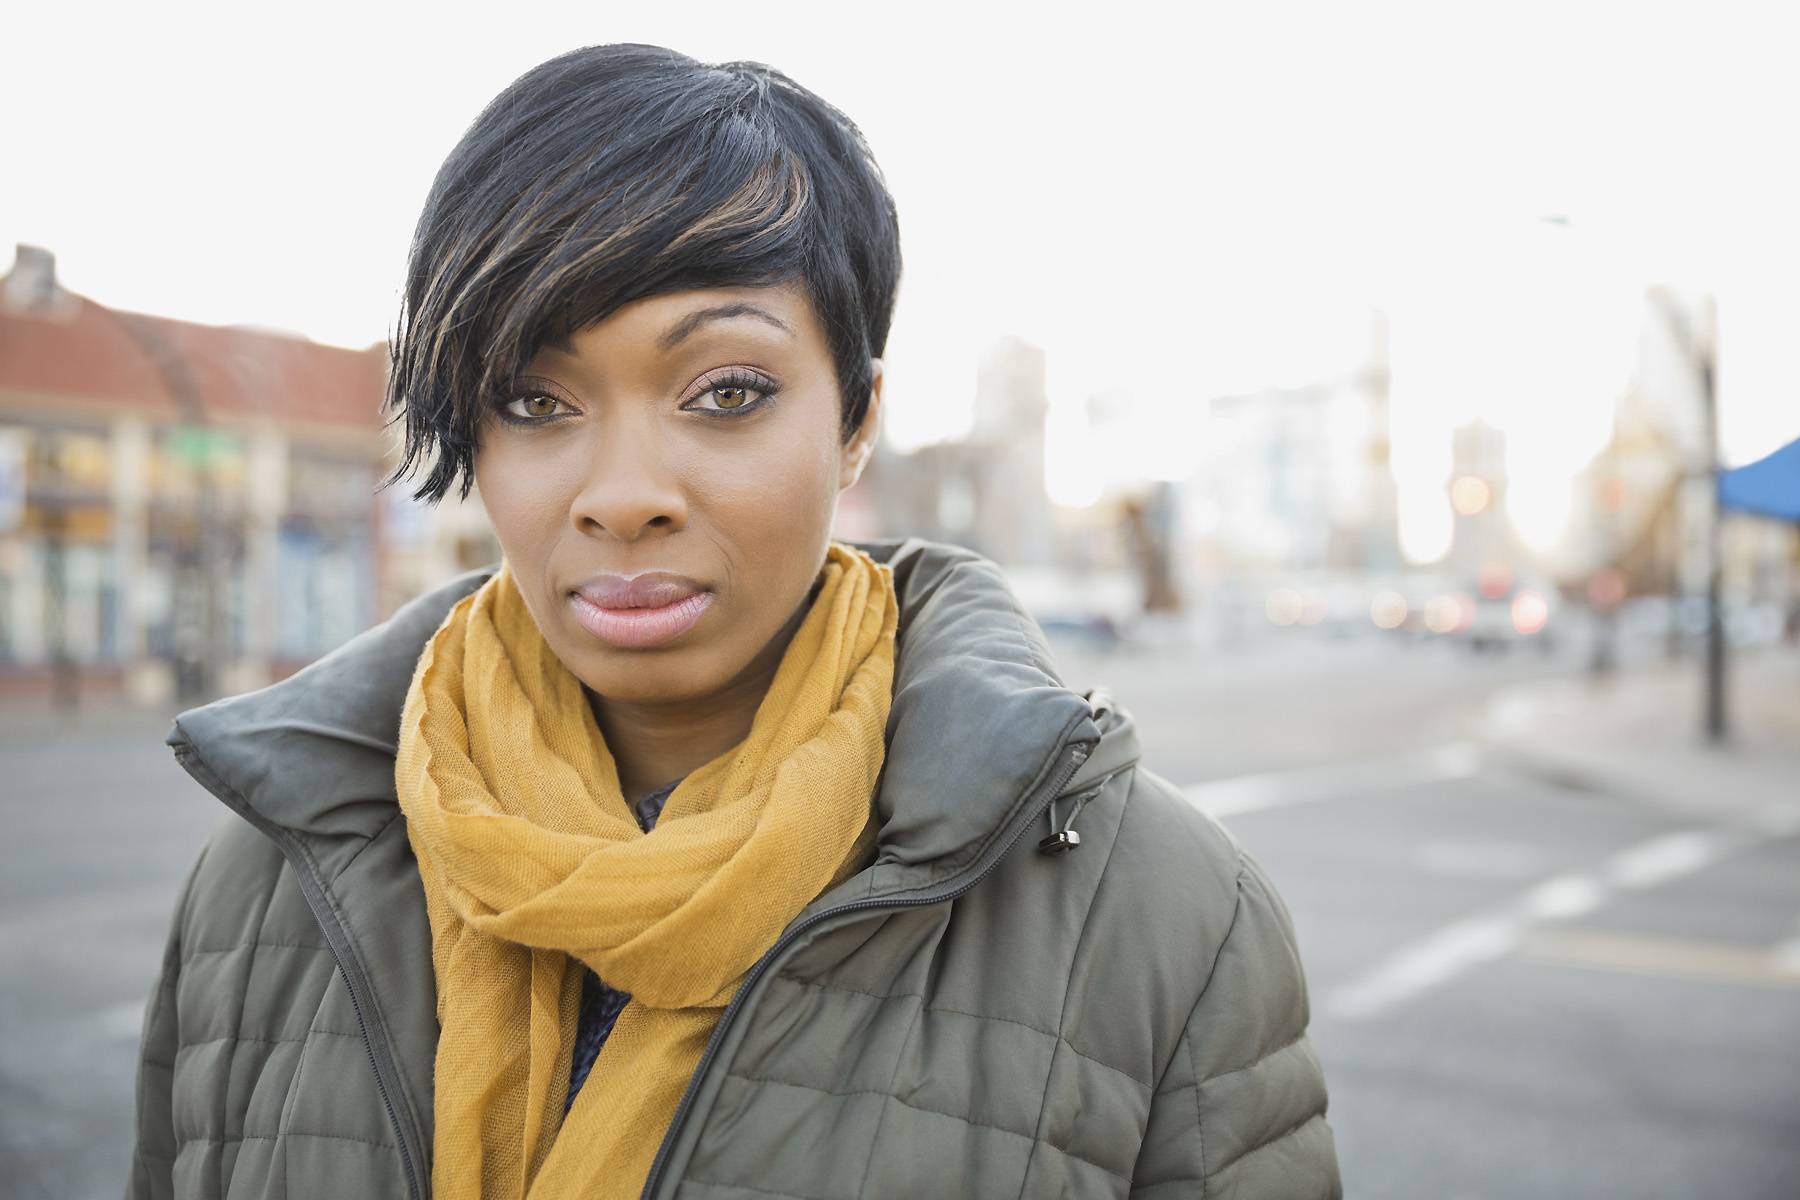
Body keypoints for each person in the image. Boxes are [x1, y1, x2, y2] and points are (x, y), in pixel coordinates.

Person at [126, 43, 1340, 1200]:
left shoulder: (1164, 916)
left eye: (726, 393)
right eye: (536, 400)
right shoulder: (264, 882)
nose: (624, 495)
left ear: (855, 417)